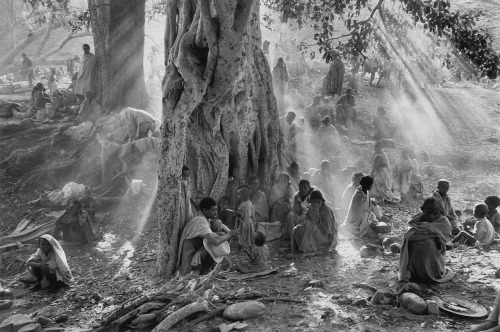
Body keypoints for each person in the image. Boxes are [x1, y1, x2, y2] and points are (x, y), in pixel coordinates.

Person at [399, 197, 455, 283]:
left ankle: (431, 273)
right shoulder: (416, 219)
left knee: (427, 244)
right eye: (428, 212)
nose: (431, 216)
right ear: (423, 210)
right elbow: (408, 237)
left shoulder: (443, 222)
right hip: (414, 262)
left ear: (440, 212)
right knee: (418, 244)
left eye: (435, 213)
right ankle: (414, 273)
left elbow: (445, 237)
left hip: (433, 260)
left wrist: (424, 235)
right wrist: (432, 235)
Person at [177, 197, 239, 275]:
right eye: (213, 210)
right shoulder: (200, 222)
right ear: (205, 210)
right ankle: (204, 271)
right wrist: (229, 235)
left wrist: (225, 232)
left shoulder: (204, 218)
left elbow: (218, 226)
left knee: (221, 238)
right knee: (215, 247)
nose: (216, 212)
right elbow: (215, 242)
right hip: (190, 259)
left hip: (196, 253)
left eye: (216, 209)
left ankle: (207, 269)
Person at [291, 190, 338, 254]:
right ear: (310, 202)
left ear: (322, 201)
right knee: (296, 229)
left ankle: (309, 249)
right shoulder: (311, 209)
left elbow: (328, 233)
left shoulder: (326, 211)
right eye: (314, 202)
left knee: (310, 225)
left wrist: (316, 222)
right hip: (317, 233)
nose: (316, 205)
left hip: (327, 239)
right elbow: (307, 220)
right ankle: (297, 250)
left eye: (319, 202)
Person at [342, 176, 386, 240]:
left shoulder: (365, 192)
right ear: (368, 185)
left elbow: (367, 210)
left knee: (379, 229)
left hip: (363, 220)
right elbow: (361, 213)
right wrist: (370, 223)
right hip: (355, 224)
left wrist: (373, 220)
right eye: (371, 185)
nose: (371, 186)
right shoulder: (358, 196)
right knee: (375, 235)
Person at [235, 185, 256, 251]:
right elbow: (252, 212)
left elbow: (241, 214)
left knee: (242, 236)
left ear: (244, 196)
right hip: (248, 222)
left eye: (239, 195)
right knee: (248, 236)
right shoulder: (249, 203)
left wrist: (235, 212)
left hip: (244, 223)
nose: (238, 196)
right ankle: (249, 248)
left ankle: (241, 249)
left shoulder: (244, 205)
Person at [180, 165, 193, 231]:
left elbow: (187, 203)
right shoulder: (182, 184)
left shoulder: (185, 185)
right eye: (183, 175)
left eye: (187, 176)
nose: (185, 178)